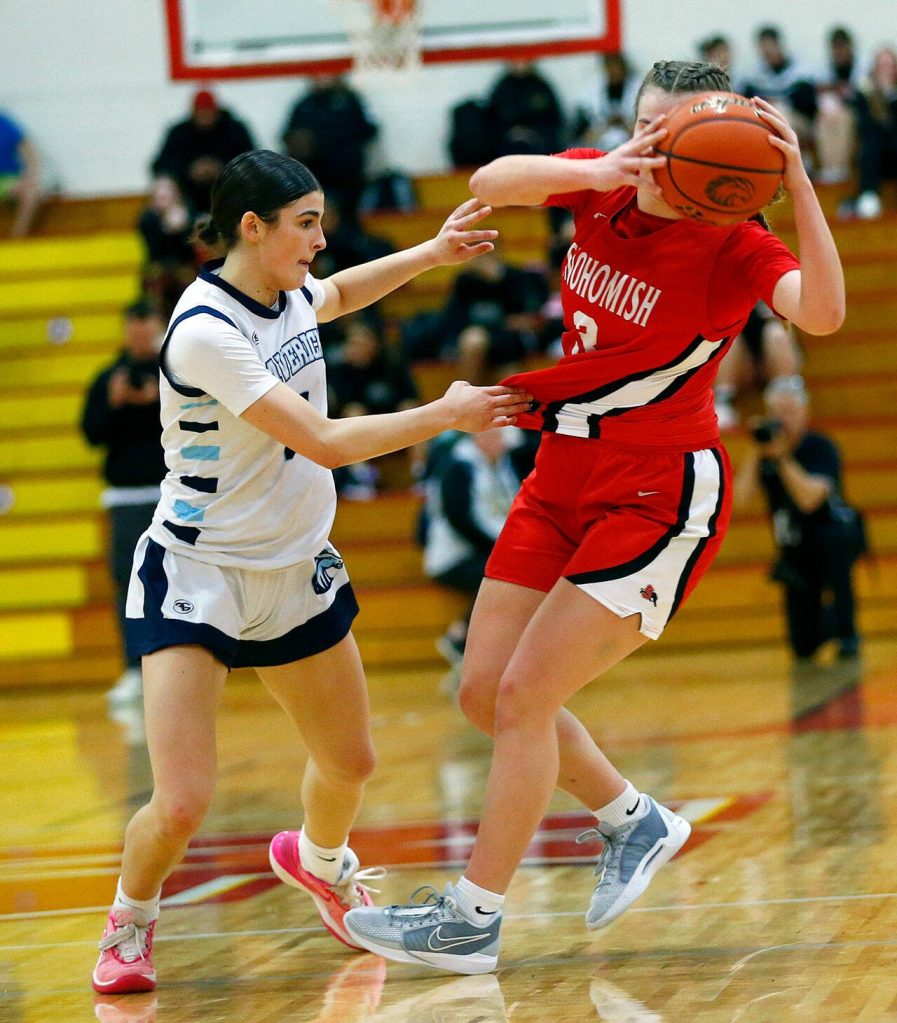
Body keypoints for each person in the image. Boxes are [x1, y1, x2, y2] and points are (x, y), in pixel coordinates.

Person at [344, 59, 845, 974]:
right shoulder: (597, 188)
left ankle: (471, 916)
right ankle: (632, 817)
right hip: (561, 465)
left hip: (658, 486)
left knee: (527, 696)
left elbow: (821, 312)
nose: (656, 153)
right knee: (479, 688)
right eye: (647, 132)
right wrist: (602, 167)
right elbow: (488, 183)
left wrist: (798, 180)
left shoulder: (733, 240)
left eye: (674, 137)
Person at [89, 149, 530, 995]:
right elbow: (322, 441)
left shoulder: (285, 289)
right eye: (306, 224)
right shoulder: (207, 330)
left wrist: (430, 255)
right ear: (250, 228)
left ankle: (321, 861)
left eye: (321, 221)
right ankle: (130, 919)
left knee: (352, 761)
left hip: (294, 567)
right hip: (200, 571)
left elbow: (337, 295)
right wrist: (444, 414)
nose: (320, 241)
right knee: (181, 799)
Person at [733, 376, 862, 661]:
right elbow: (739, 499)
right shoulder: (765, 454)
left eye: (790, 412)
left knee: (837, 548)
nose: (784, 420)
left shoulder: (820, 447)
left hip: (832, 537)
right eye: (778, 414)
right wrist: (756, 450)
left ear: (805, 413)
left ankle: (847, 631)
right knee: (802, 645)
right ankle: (822, 624)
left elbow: (810, 500)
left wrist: (781, 460)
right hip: (796, 548)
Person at [81, 300, 168, 708]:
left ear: (158, 325)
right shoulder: (107, 378)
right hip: (125, 497)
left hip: (173, 491)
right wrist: (116, 405)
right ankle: (134, 670)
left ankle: (180, 669)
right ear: (125, 329)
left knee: (180, 581)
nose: (140, 331)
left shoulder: (175, 370)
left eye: (146, 322)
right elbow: (92, 434)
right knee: (128, 584)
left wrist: (158, 403)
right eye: (133, 324)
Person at [421, 428, 535, 692]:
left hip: (488, 549)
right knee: (509, 577)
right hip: (453, 556)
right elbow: (460, 519)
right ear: (477, 437)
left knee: (522, 573)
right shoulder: (458, 466)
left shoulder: (502, 464)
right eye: (495, 436)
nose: (502, 443)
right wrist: (502, 547)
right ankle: (460, 637)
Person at [281, 75, 379, 224]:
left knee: (349, 223)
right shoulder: (304, 105)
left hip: (348, 178)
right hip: (315, 179)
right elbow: (288, 138)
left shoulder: (350, 100)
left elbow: (370, 130)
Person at [151, 89, 255, 213]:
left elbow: (251, 162)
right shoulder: (179, 133)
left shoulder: (235, 130)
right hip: (187, 197)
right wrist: (189, 171)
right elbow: (161, 165)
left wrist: (222, 169)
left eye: (208, 113)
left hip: (230, 195)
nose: (205, 118)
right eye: (201, 114)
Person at [713, 301, 802, 430]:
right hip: (741, 357)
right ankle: (723, 399)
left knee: (777, 333)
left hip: (770, 352)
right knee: (728, 342)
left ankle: (786, 396)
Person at [137, 176, 197, 320]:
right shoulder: (147, 219)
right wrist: (166, 229)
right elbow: (153, 250)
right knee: (155, 279)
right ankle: (156, 322)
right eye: (159, 194)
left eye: (167, 194)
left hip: (184, 265)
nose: (163, 198)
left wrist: (183, 228)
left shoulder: (190, 215)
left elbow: (188, 251)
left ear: (176, 196)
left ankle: (190, 318)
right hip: (158, 265)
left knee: (188, 279)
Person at [850, 46, 897, 220]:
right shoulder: (865, 93)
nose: (885, 70)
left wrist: (891, 98)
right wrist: (878, 100)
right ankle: (869, 195)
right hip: (876, 159)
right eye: (881, 66)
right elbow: (864, 126)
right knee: (871, 143)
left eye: (889, 65)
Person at [486, 60, 565, 158]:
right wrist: (513, 133)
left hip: (538, 144)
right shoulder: (501, 88)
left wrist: (532, 134)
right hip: (508, 146)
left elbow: (554, 121)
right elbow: (491, 121)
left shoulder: (541, 87)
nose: (520, 63)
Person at [571, 52, 641, 151]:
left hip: (629, 141)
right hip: (600, 142)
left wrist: (624, 124)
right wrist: (606, 124)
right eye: (609, 66)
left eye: (616, 66)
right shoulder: (592, 91)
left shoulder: (638, 88)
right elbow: (582, 134)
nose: (613, 71)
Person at [0, 108, 42, 237]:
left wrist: (31, 175)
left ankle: (18, 237)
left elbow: (30, 152)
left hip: (7, 181)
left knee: (31, 189)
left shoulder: (5, 123)